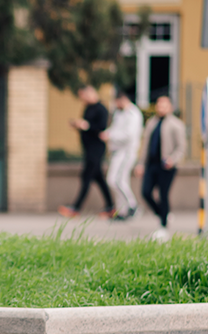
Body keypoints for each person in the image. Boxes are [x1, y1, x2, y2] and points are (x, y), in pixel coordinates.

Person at [58, 84, 116, 219]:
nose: (81, 99)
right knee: (99, 178)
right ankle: (110, 207)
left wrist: (86, 126)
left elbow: (101, 128)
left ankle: (75, 208)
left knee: (86, 177)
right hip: (89, 148)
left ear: (89, 93)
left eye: (82, 96)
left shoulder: (101, 109)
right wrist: (78, 125)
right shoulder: (88, 108)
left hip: (96, 149)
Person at [134, 94, 186, 241]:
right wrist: (140, 164)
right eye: (159, 105)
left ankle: (163, 227)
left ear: (170, 107)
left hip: (166, 166)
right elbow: (145, 146)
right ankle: (163, 214)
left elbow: (181, 148)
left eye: (164, 105)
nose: (161, 108)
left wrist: (172, 160)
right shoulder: (152, 123)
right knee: (145, 192)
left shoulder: (176, 125)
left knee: (164, 195)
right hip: (152, 164)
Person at [102, 90, 145, 220]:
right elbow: (115, 128)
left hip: (126, 152)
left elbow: (128, 136)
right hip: (117, 152)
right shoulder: (120, 113)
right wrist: (108, 133)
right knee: (118, 180)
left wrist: (110, 136)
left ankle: (133, 206)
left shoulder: (133, 114)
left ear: (123, 100)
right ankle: (122, 211)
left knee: (116, 180)